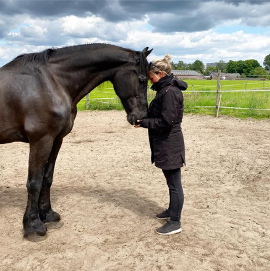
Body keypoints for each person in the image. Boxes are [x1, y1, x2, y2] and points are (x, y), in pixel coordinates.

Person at [135, 54, 188, 235]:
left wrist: (144, 123)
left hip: (170, 143)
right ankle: (172, 211)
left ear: (160, 74)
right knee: (171, 182)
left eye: (151, 78)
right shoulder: (164, 90)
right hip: (166, 143)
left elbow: (166, 122)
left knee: (174, 184)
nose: (151, 82)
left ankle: (175, 222)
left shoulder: (170, 92)